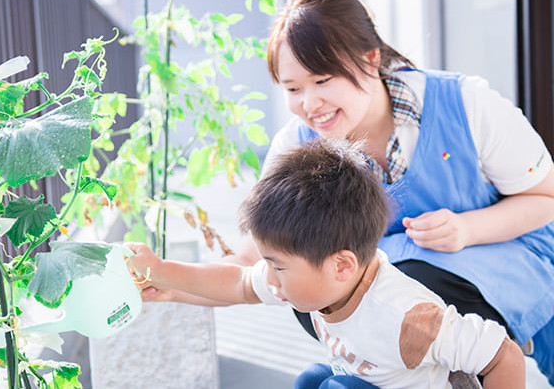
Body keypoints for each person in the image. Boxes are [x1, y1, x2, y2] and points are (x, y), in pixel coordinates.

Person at [143, 0, 554, 383]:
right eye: (292, 88)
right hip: (386, 294)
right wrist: (168, 283)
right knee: (306, 279)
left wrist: (468, 228)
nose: (309, 104)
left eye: (322, 81)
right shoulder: (296, 147)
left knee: (404, 298)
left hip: (504, 256)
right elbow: (254, 267)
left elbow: (546, 197)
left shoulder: (466, 103)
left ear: (371, 58)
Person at [127, 140, 525, 388]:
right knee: (313, 380)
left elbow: (502, 355)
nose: (268, 277)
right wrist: (166, 280)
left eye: (277, 267)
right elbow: (237, 284)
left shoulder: (406, 317)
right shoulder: (329, 276)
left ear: (341, 266)